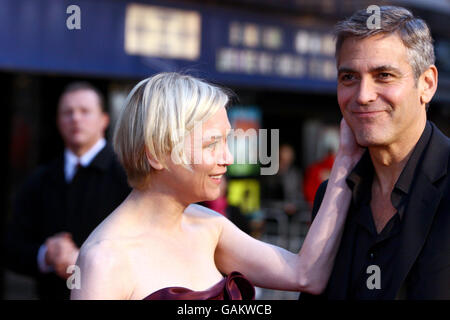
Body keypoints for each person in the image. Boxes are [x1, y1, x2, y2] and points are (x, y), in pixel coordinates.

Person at [71, 72, 363, 300]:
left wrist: (346, 160)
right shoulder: (104, 260)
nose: (228, 158)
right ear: (156, 153)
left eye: (227, 141)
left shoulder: (210, 225)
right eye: (212, 143)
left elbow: (306, 275)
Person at [300, 6, 450, 300]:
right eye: (349, 78)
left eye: (383, 75)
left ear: (427, 84)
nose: (363, 95)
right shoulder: (332, 196)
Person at [5, 82, 131, 299]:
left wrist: (84, 260)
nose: (75, 119)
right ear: (58, 121)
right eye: (68, 112)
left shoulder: (128, 176)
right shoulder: (39, 180)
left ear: (104, 120)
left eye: (85, 111)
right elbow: (12, 248)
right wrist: (47, 255)